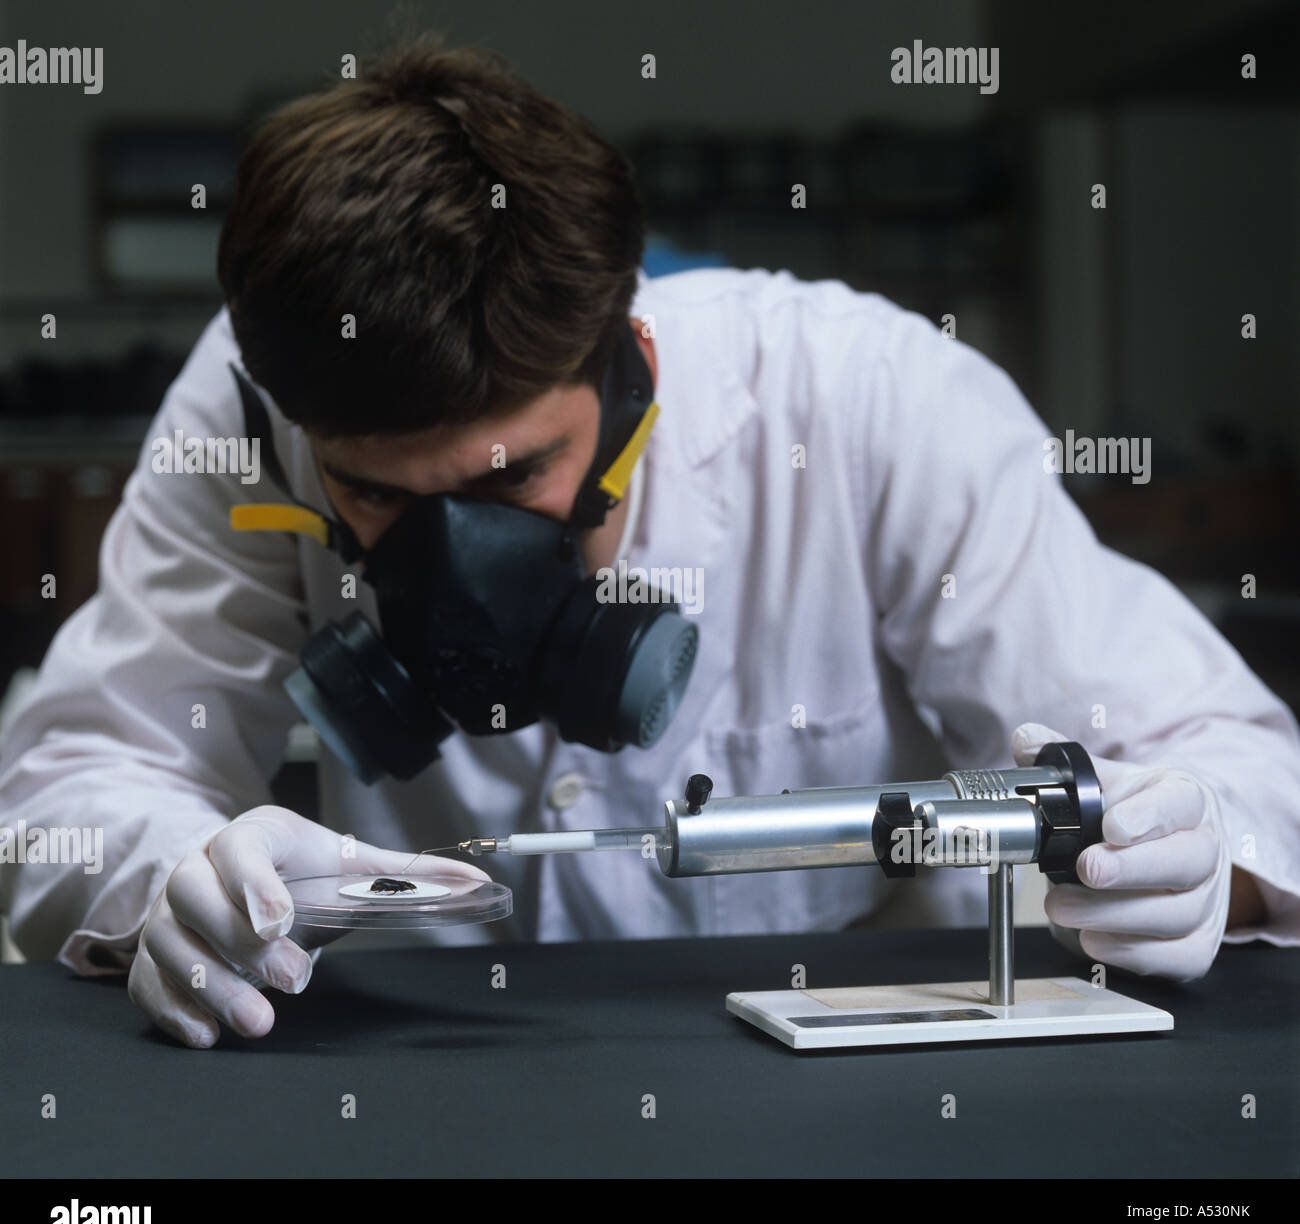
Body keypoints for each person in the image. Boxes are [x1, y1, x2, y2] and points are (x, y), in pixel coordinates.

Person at [2, 37, 1296, 1050]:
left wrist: (1197, 862)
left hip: (861, 1077)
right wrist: (179, 879)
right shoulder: (253, 405)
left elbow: (1233, 765)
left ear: (636, 369)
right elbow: (74, 776)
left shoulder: (871, 403)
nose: (460, 561)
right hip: (439, 1071)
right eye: (380, 496)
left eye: (517, 471)